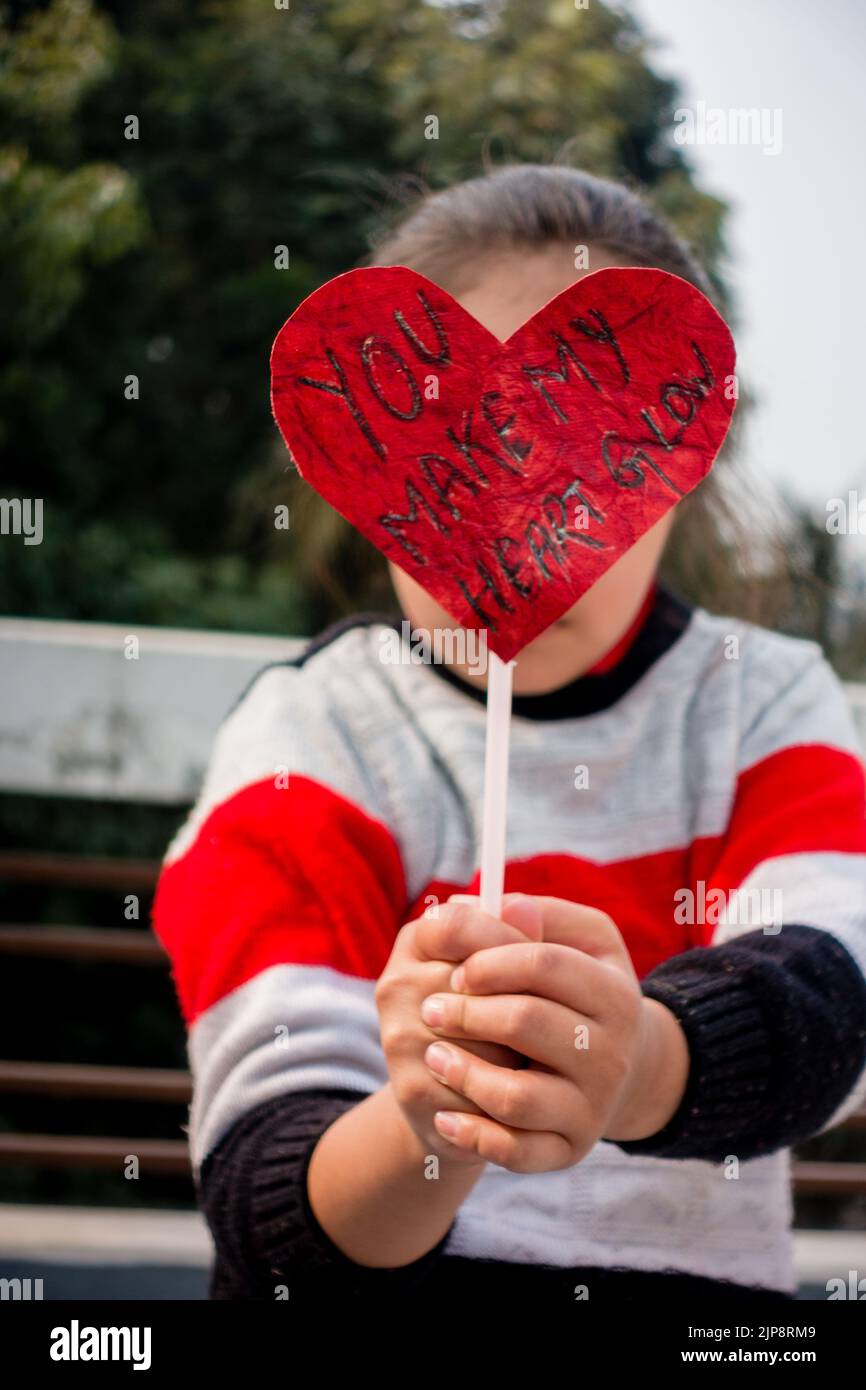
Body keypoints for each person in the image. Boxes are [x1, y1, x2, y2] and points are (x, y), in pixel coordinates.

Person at [152, 164, 866, 1304]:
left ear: (678, 470)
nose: (525, 517)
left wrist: (634, 1066)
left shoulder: (763, 700)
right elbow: (271, 1214)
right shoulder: (313, 732)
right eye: (468, 440)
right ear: (367, 470)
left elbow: (835, 1000)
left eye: (588, 441)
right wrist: (431, 1125)